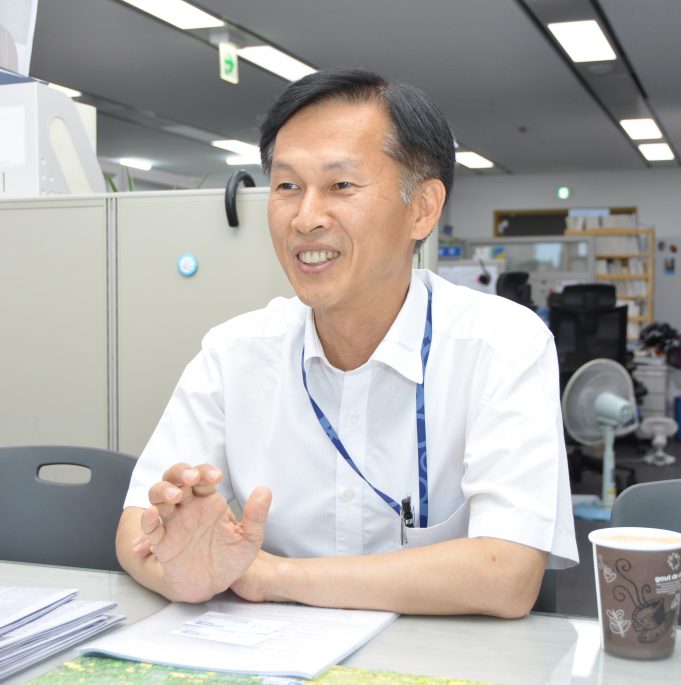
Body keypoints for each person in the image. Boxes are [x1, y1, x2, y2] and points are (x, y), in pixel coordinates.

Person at [116, 68, 578, 618]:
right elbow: (137, 530)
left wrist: (271, 576)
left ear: (423, 208)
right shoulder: (235, 352)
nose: (305, 218)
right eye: (287, 186)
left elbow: (507, 574)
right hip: (274, 650)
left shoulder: (502, 346)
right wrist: (187, 574)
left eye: (341, 186)